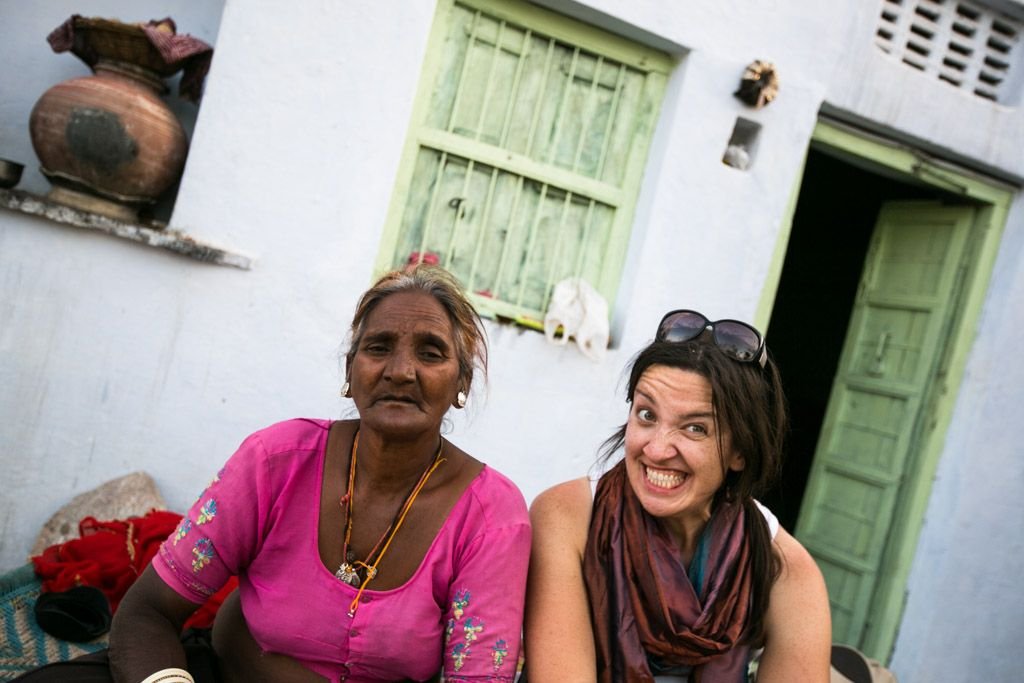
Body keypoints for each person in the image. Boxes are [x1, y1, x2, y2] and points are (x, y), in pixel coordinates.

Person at [18, 265, 531, 683]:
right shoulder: (277, 459)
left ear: (461, 383)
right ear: (350, 374)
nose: (400, 370)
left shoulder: (492, 518)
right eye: (378, 348)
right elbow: (147, 611)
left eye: (431, 352)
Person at [524, 309, 831, 682]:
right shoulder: (567, 518)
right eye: (647, 415)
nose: (656, 450)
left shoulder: (784, 568)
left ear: (740, 452)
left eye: (695, 428)